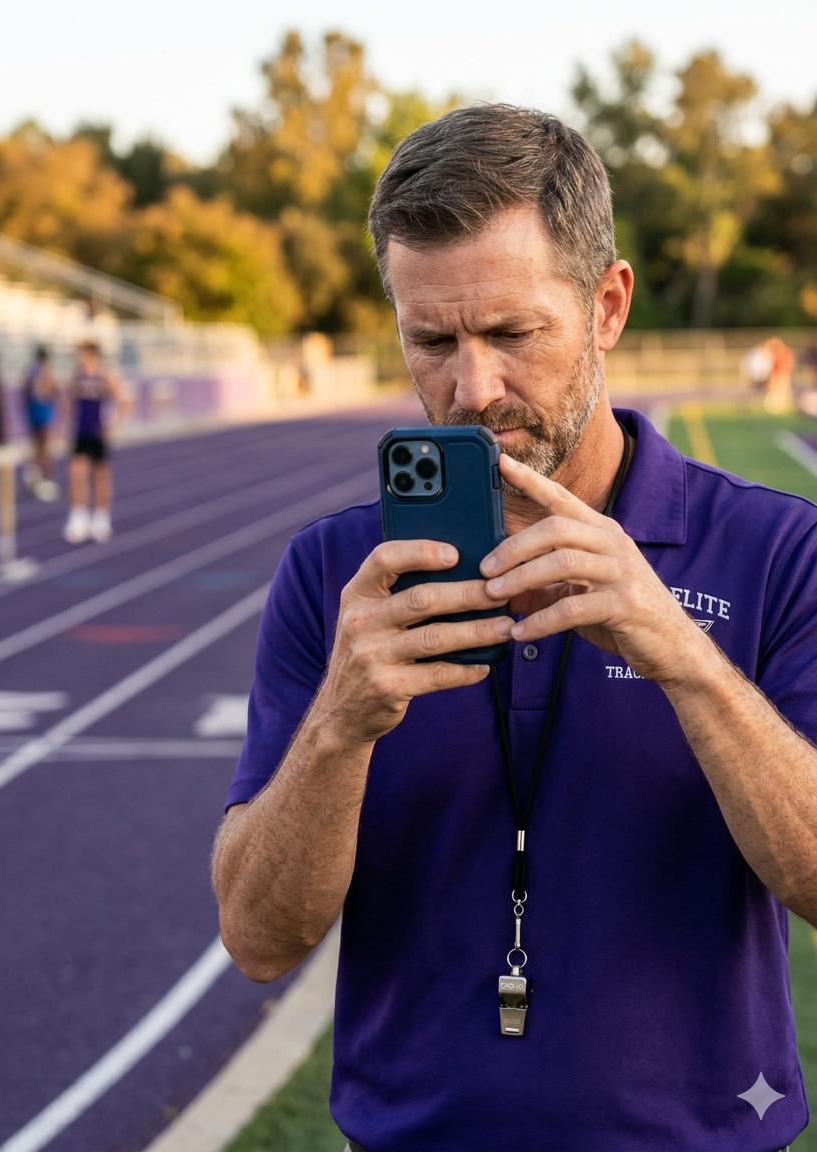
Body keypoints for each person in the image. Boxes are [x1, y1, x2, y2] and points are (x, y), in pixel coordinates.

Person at [212, 105, 816, 1152]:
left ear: (606, 305)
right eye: (431, 340)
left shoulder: (776, 548)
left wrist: (682, 658)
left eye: (511, 333)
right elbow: (259, 940)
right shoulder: (334, 576)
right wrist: (341, 724)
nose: (471, 388)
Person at [62, 341, 130, 544]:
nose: (79, 358)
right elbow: (67, 400)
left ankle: (101, 519)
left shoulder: (106, 376)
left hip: (98, 433)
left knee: (101, 476)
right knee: (76, 474)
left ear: (91, 354)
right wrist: (65, 423)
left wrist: (114, 424)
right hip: (80, 431)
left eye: (81, 354)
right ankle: (78, 518)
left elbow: (124, 401)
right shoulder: (75, 376)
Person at [22, 345, 60, 502]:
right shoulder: (46, 369)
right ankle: (44, 480)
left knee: (35, 446)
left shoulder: (29, 370)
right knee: (46, 448)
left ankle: (32, 472)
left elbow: (23, 390)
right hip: (44, 412)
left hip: (32, 411)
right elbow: (50, 389)